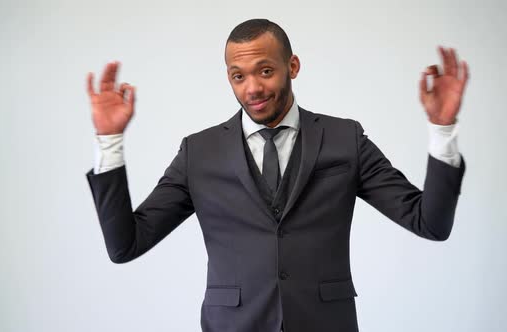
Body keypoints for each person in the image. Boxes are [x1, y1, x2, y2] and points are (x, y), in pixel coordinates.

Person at [85, 18, 468, 332]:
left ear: (293, 66)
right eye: (238, 76)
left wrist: (442, 129)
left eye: (265, 71)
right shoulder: (198, 152)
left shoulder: (344, 139)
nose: (252, 88)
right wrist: (109, 142)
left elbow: (429, 222)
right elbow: (125, 245)